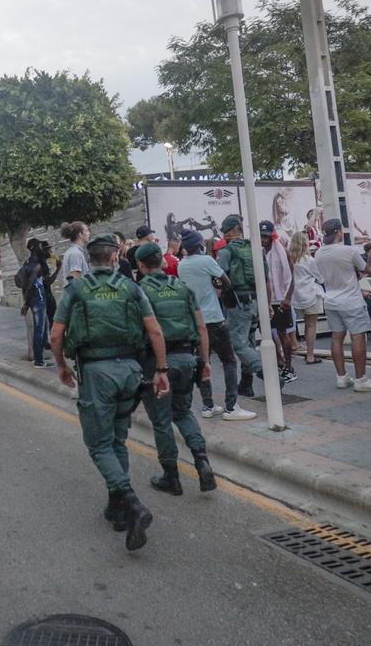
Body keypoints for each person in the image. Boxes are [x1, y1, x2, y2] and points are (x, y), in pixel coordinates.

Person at [49, 234, 168, 552]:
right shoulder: (132, 287)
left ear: (90, 260)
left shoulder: (76, 288)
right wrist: (161, 370)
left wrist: (61, 366)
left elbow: (56, 334)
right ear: (116, 258)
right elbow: (154, 330)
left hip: (96, 372)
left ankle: (132, 505)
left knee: (98, 444)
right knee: (116, 440)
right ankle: (117, 511)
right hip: (130, 372)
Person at [132, 242, 218, 496]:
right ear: (163, 261)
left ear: (140, 265)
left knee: (161, 420)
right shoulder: (182, 287)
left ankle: (172, 477)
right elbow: (201, 328)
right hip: (187, 359)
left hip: (159, 364)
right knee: (183, 412)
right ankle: (202, 461)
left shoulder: (140, 291)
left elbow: (140, 332)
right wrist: (204, 362)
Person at [176, 230, 255, 421]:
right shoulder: (207, 261)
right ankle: (231, 407)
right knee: (229, 361)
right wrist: (216, 285)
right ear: (199, 244)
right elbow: (226, 282)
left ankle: (208, 405)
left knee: (203, 361)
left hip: (195, 320)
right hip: (214, 319)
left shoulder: (181, 265)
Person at [316, 219, 371, 392]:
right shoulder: (349, 251)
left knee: (336, 338)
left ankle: (341, 377)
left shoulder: (318, 253)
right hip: (351, 301)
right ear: (339, 231)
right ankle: (361, 379)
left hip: (331, 300)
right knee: (357, 337)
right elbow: (367, 269)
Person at [216, 215, 268, 397]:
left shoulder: (226, 252)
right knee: (250, 342)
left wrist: (219, 299)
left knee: (238, 343)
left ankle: (267, 373)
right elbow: (266, 278)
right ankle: (246, 384)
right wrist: (266, 304)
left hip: (238, 302)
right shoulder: (254, 249)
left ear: (229, 231)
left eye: (224, 232)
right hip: (256, 301)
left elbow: (219, 278)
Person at [260, 221, 297, 383]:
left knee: (283, 334)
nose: (263, 239)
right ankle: (280, 363)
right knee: (267, 334)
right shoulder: (258, 252)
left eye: (266, 236)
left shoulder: (282, 251)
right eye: (261, 236)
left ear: (272, 235)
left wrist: (288, 298)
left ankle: (289, 367)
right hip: (265, 299)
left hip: (280, 298)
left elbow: (291, 276)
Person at [288, 232, 325, 365]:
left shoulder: (289, 260)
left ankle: (291, 348)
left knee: (293, 325)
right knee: (311, 326)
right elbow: (321, 278)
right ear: (305, 244)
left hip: (294, 297)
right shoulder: (309, 260)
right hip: (311, 295)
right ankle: (310, 355)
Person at [20, 238, 58, 368]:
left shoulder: (28, 262)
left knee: (42, 328)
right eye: (40, 246)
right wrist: (26, 304)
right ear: (34, 248)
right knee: (39, 330)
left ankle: (40, 356)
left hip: (35, 300)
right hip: (38, 300)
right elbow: (30, 285)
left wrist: (26, 302)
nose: (42, 248)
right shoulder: (36, 265)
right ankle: (39, 361)